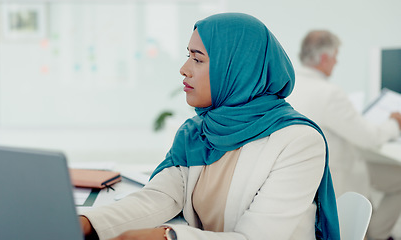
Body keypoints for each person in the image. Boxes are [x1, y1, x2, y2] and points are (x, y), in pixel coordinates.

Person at [79, 13, 340, 240]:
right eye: (188, 57)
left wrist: (169, 236)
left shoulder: (299, 142)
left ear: (237, 68)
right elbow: (160, 197)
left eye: (198, 59)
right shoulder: (198, 132)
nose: (184, 69)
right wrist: (87, 223)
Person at [288, 30, 401, 240]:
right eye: (336, 56)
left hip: (307, 176)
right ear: (324, 58)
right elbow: (370, 138)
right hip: (335, 177)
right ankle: (378, 235)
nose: (336, 62)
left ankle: (375, 231)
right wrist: (394, 123)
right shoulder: (329, 93)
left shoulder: (290, 86)